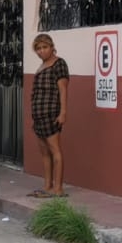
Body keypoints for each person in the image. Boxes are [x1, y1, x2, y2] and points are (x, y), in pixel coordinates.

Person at [29, 33, 69, 197]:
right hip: (38, 116)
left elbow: (63, 90)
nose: (41, 51)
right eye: (38, 49)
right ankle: (47, 186)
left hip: (51, 113)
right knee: (44, 153)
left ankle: (58, 189)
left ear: (52, 47)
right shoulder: (41, 66)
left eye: (44, 47)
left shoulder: (59, 64)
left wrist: (63, 113)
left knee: (55, 151)